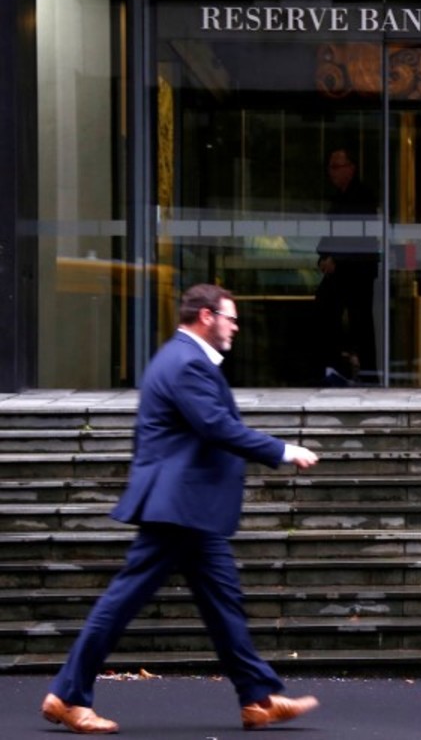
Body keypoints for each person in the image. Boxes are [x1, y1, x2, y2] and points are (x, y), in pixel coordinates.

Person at [41, 284, 321, 734]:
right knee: (122, 602)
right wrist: (283, 450)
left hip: (189, 509)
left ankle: (257, 699)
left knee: (224, 604)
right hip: (176, 508)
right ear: (207, 316)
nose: (235, 327)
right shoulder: (186, 362)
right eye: (230, 318)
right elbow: (216, 426)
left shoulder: (182, 358)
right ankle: (68, 696)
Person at [315, 148, 380, 385]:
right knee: (327, 313)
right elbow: (330, 235)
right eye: (330, 167)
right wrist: (323, 257)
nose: (331, 172)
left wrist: (336, 259)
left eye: (336, 166)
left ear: (351, 168)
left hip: (356, 270)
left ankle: (364, 372)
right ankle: (336, 367)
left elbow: (361, 237)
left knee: (359, 322)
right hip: (341, 268)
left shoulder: (362, 197)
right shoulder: (338, 198)